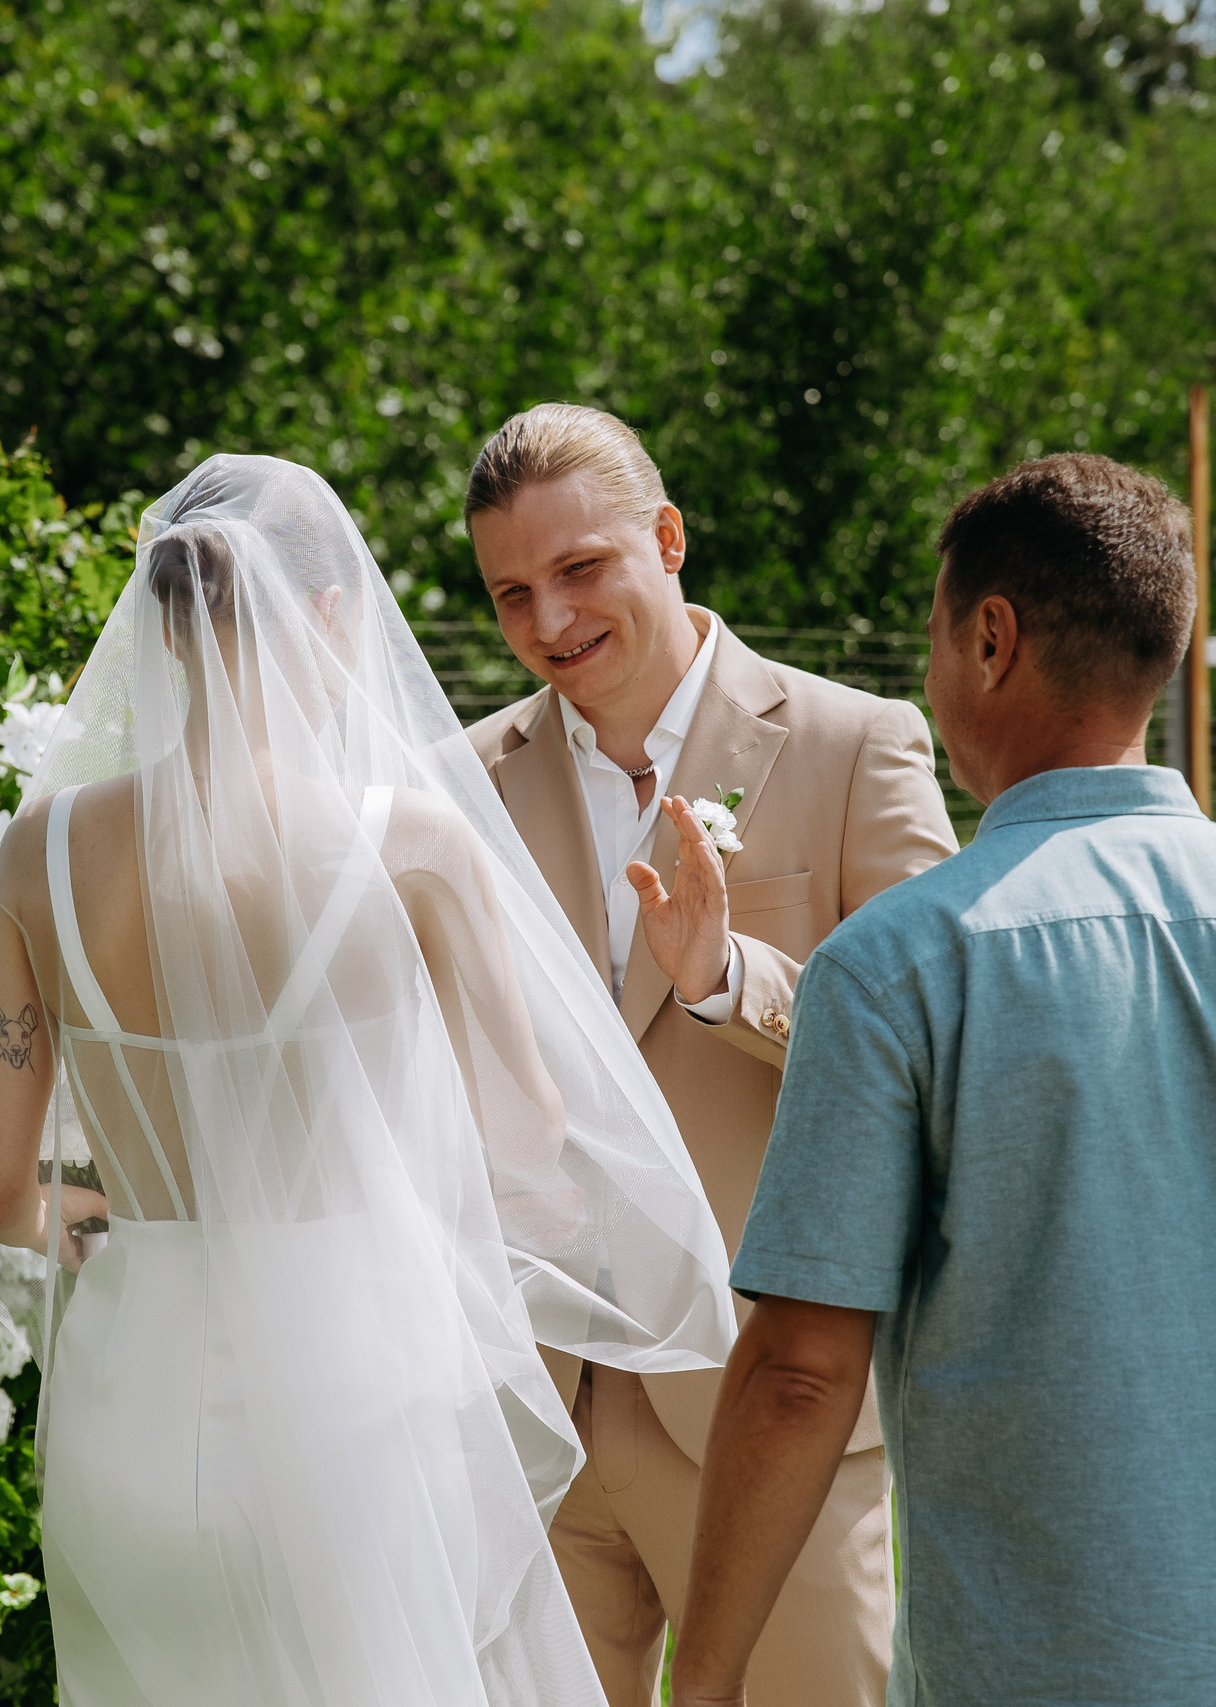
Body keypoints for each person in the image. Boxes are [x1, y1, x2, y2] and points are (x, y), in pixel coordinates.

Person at [0, 454, 737, 1706]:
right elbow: (532, 1147)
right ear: (330, 614)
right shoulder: (413, 846)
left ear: (165, 629)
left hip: (131, 1399)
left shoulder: (40, 850)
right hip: (354, 1393)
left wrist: (108, 1223)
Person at [673, 453, 1216, 1707]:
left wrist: (700, 1683)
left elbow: (801, 1370)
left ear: (990, 640)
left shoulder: (893, 968)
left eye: (933, 641)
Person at [463, 403, 959, 1707]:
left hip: (770, 1393)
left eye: (581, 568)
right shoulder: (463, 782)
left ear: (669, 537)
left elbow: (943, 1047)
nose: (549, 619)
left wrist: (731, 982)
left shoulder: (856, 743)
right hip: (534, 1402)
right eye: (512, 592)